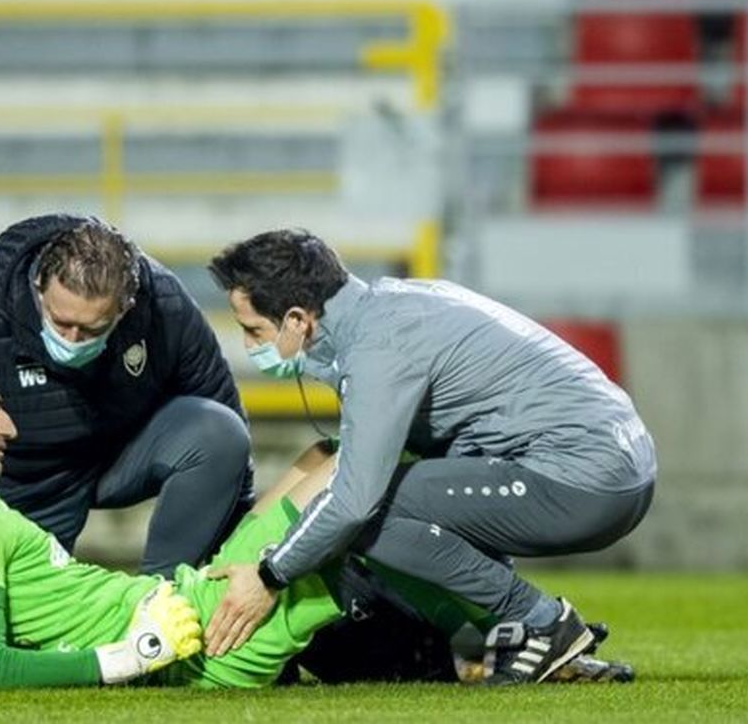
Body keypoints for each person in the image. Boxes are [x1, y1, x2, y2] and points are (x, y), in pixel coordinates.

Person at [202, 229, 656, 685]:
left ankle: (541, 624)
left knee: (366, 512)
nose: (247, 344)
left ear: (298, 320)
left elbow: (354, 500)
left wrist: (269, 576)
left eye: (253, 329)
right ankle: (515, 637)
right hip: (617, 470)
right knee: (397, 493)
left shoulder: (378, 348)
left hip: (586, 481)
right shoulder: (397, 305)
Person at [0, 344, 344, 689]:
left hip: (180, 599)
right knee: (362, 489)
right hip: (207, 636)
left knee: (328, 454)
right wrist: (129, 658)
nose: (10, 428)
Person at [0, 214, 253, 577]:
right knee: (18, 638)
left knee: (219, 431)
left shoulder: (165, 307)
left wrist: (243, 553)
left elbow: (223, 416)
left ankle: (163, 602)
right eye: (61, 322)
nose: (71, 340)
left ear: (126, 308)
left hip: (114, 457)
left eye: (90, 329)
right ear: (39, 285)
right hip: (10, 483)